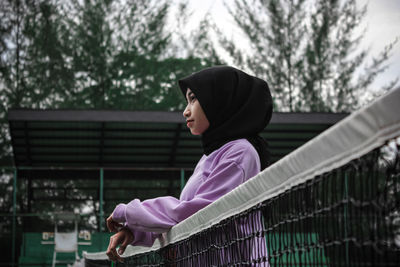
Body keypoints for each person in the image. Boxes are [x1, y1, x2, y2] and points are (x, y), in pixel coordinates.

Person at [106, 65, 273, 263]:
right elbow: (181, 222)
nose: (186, 111)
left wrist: (128, 212)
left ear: (219, 99)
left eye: (193, 99)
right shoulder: (208, 157)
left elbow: (196, 212)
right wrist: (135, 232)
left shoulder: (240, 153)